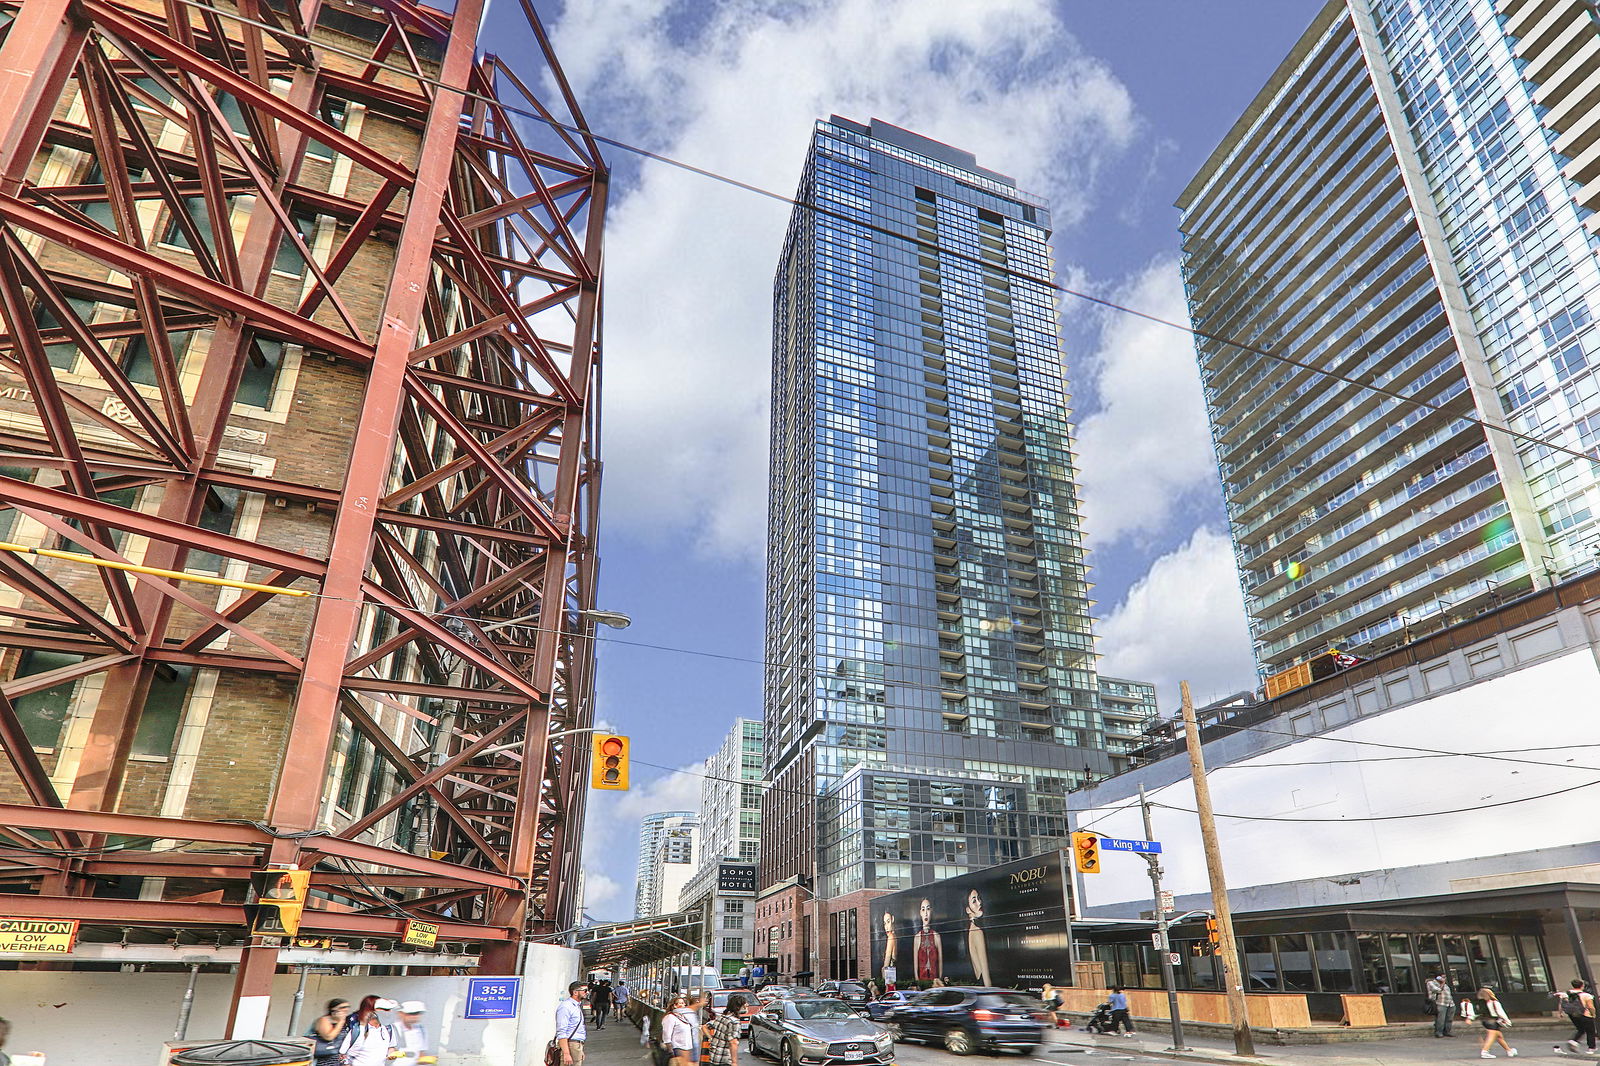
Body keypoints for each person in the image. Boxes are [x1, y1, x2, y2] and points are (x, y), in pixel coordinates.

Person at [338, 996, 399, 1066]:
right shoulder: (357, 1030)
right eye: (385, 1009)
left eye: (390, 1009)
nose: (389, 1012)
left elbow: (391, 1047)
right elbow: (342, 1055)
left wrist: (392, 1054)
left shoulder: (388, 1028)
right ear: (372, 1011)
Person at [1465, 986, 1515, 1058]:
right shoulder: (1494, 1002)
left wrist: (1469, 1018)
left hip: (1484, 1021)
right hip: (1493, 1021)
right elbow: (1501, 1012)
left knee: (1499, 1036)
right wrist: (1507, 1020)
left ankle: (1509, 1050)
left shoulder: (1480, 1004)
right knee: (1491, 1036)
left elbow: (1475, 1012)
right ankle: (1485, 1051)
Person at [1554, 979, 1596, 1054]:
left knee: (1580, 1029)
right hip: (1585, 1015)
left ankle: (1573, 1040)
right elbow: (1590, 1007)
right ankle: (1591, 1048)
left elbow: (1561, 1004)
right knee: (1590, 1031)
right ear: (1582, 986)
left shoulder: (1565, 994)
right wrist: (1593, 1014)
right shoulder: (1586, 995)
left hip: (1573, 1015)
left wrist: (1560, 1013)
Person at [310, 999, 353, 1066]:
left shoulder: (345, 1022)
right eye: (342, 1007)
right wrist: (341, 1021)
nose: (346, 1010)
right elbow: (329, 1037)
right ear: (333, 1009)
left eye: (347, 1007)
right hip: (323, 1058)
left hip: (338, 1058)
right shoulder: (324, 1020)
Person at [708, 994, 747, 1066]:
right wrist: (734, 1062)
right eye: (745, 1004)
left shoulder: (721, 1017)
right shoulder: (734, 1022)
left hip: (714, 1057)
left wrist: (710, 1038)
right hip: (724, 1059)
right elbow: (733, 1042)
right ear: (739, 1007)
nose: (747, 1006)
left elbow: (705, 1027)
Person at [556, 982, 590, 1066]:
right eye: (585, 991)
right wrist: (566, 1053)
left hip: (576, 1045)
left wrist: (580, 1050)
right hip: (570, 1045)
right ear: (575, 992)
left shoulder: (576, 1006)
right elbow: (562, 1031)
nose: (587, 992)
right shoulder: (566, 1007)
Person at [662, 993, 700, 1065]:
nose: (683, 1005)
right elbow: (666, 1034)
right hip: (678, 1048)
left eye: (683, 1003)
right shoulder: (670, 1017)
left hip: (687, 1048)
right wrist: (670, 1050)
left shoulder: (683, 1017)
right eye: (680, 1003)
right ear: (674, 1006)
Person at [966, 889, 991, 987]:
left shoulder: (971, 930)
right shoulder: (977, 932)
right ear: (968, 910)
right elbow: (985, 975)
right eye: (974, 901)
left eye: (979, 898)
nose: (979, 903)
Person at [913, 897, 942, 981]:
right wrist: (918, 982)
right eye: (923, 909)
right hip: (922, 982)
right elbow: (915, 966)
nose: (926, 913)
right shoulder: (917, 938)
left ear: (931, 911)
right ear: (920, 913)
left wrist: (939, 980)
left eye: (928, 909)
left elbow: (940, 963)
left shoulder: (936, 936)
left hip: (935, 983)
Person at [1428, 971, 1456, 1038]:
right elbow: (1438, 990)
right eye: (1443, 977)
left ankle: (1447, 1031)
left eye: (1445, 977)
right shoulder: (1431, 983)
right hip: (1440, 1003)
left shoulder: (1445, 985)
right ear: (1438, 977)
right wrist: (1442, 983)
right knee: (1441, 1019)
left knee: (1449, 1019)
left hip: (1450, 1003)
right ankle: (1439, 1032)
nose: (1444, 979)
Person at [881, 911, 898, 989]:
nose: (886, 927)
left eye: (888, 922)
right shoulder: (894, 936)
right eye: (884, 923)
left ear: (893, 919)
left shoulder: (891, 937)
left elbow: (886, 964)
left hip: (890, 979)